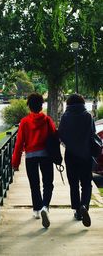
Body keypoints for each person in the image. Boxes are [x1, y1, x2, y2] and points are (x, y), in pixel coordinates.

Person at [12, 93, 56, 228]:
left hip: (30, 156)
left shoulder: (24, 122)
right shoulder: (47, 120)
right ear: (41, 105)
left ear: (29, 106)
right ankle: (45, 207)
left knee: (34, 184)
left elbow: (19, 143)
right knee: (48, 183)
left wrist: (15, 163)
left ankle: (37, 210)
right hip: (46, 156)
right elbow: (54, 137)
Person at [59, 94, 94, 227]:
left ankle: (77, 211)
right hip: (86, 154)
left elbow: (60, 134)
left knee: (73, 184)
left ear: (68, 104)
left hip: (71, 155)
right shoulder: (88, 116)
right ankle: (84, 205)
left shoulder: (65, 117)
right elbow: (92, 134)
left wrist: (68, 143)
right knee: (86, 183)